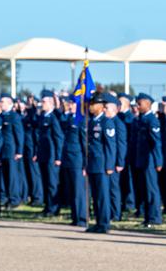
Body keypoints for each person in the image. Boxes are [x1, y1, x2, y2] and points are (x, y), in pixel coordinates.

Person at [85, 92, 116, 233]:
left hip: (102, 165)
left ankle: (104, 224)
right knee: (95, 196)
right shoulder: (92, 121)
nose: (90, 107)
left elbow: (110, 146)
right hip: (92, 164)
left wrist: (110, 165)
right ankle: (98, 223)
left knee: (103, 196)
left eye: (93, 104)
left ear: (101, 106)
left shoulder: (106, 122)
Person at [134, 93, 163, 227]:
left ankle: (155, 217)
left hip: (150, 161)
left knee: (151, 190)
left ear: (147, 103)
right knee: (144, 190)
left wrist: (158, 162)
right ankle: (147, 217)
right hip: (142, 160)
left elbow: (156, 143)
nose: (137, 106)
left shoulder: (152, 120)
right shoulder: (141, 119)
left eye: (140, 103)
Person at [58, 96, 88, 227]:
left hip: (77, 160)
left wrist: (85, 164)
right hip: (68, 159)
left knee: (79, 191)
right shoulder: (70, 118)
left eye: (72, 103)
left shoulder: (81, 120)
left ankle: (82, 218)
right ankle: (75, 217)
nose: (69, 105)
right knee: (71, 191)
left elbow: (85, 144)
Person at [35, 90, 63, 216]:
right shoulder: (42, 117)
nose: (42, 104)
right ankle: (47, 206)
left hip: (52, 154)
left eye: (44, 102)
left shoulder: (54, 117)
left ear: (51, 103)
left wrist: (58, 156)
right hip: (43, 154)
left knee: (52, 183)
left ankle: (54, 208)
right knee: (45, 181)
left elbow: (58, 138)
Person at [104, 94, 127, 222]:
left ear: (113, 109)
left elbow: (121, 144)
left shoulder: (118, 123)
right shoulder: (107, 122)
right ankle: (110, 212)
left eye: (106, 108)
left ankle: (116, 214)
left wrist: (120, 162)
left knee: (114, 190)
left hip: (114, 163)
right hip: (108, 161)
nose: (104, 110)